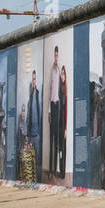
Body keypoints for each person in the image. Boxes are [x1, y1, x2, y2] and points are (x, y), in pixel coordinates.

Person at [48, 47, 60, 180]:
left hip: (58, 106)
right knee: (51, 139)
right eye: (54, 55)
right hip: (52, 105)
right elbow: (49, 91)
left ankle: (55, 169)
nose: (56, 58)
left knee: (57, 140)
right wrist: (49, 111)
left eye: (57, 56)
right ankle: (50, 170)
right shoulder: (52, 71)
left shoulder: (60, 71)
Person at [57, 65, 69, 178]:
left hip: (63, 124)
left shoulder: (65, 90)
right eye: (61, 74)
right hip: (58, 124)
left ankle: (63, 173)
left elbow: (66, 111)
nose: (62, 76)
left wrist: (65, 128)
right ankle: (60, 170)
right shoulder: (59, 89)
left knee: (64, 148)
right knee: (59, 147)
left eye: (63, 74)